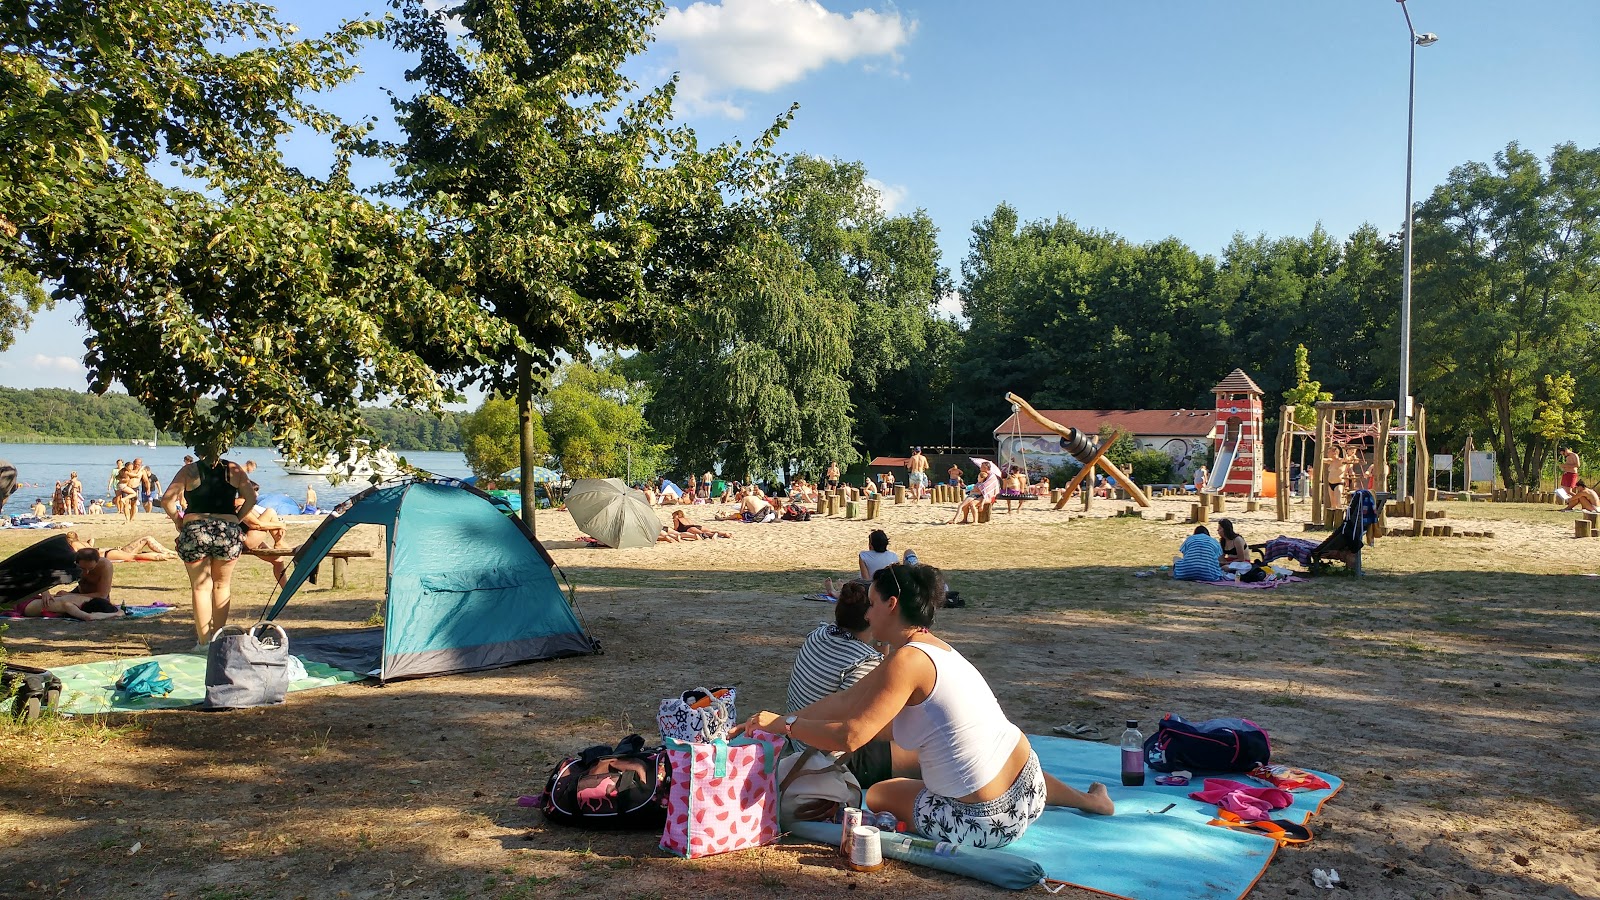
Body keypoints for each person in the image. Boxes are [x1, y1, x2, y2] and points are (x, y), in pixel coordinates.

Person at [734, 563, 1113, 849]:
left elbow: (852, 735)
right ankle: (1090, 803)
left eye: (872, 605)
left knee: (882, 793)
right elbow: (846, 699)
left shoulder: (904, 662)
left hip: (987, 823)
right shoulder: (933, 648)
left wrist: (786, 726)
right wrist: (774, 719)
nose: (866, 615)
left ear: (892, 604)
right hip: (1030, 788)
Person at [162, 454, 256, 649]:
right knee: (222, 586)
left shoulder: (189, 470)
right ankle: (219, 639)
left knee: (200, 587)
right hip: (227, 530)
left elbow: (167, 500)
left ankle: (204, 642)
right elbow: (251, 498)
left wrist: (178, 520)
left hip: (195, 528)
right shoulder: (234, 469)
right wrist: (237, 519)